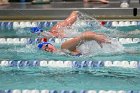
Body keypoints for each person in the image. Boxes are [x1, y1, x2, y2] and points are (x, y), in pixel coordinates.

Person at [38, 31, 111, 56]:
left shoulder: (64, 47)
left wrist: (95, 37)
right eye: (45, 49)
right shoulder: (62, 52)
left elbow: (80, 38)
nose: (47, 49)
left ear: (51, 44)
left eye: (47, 46)